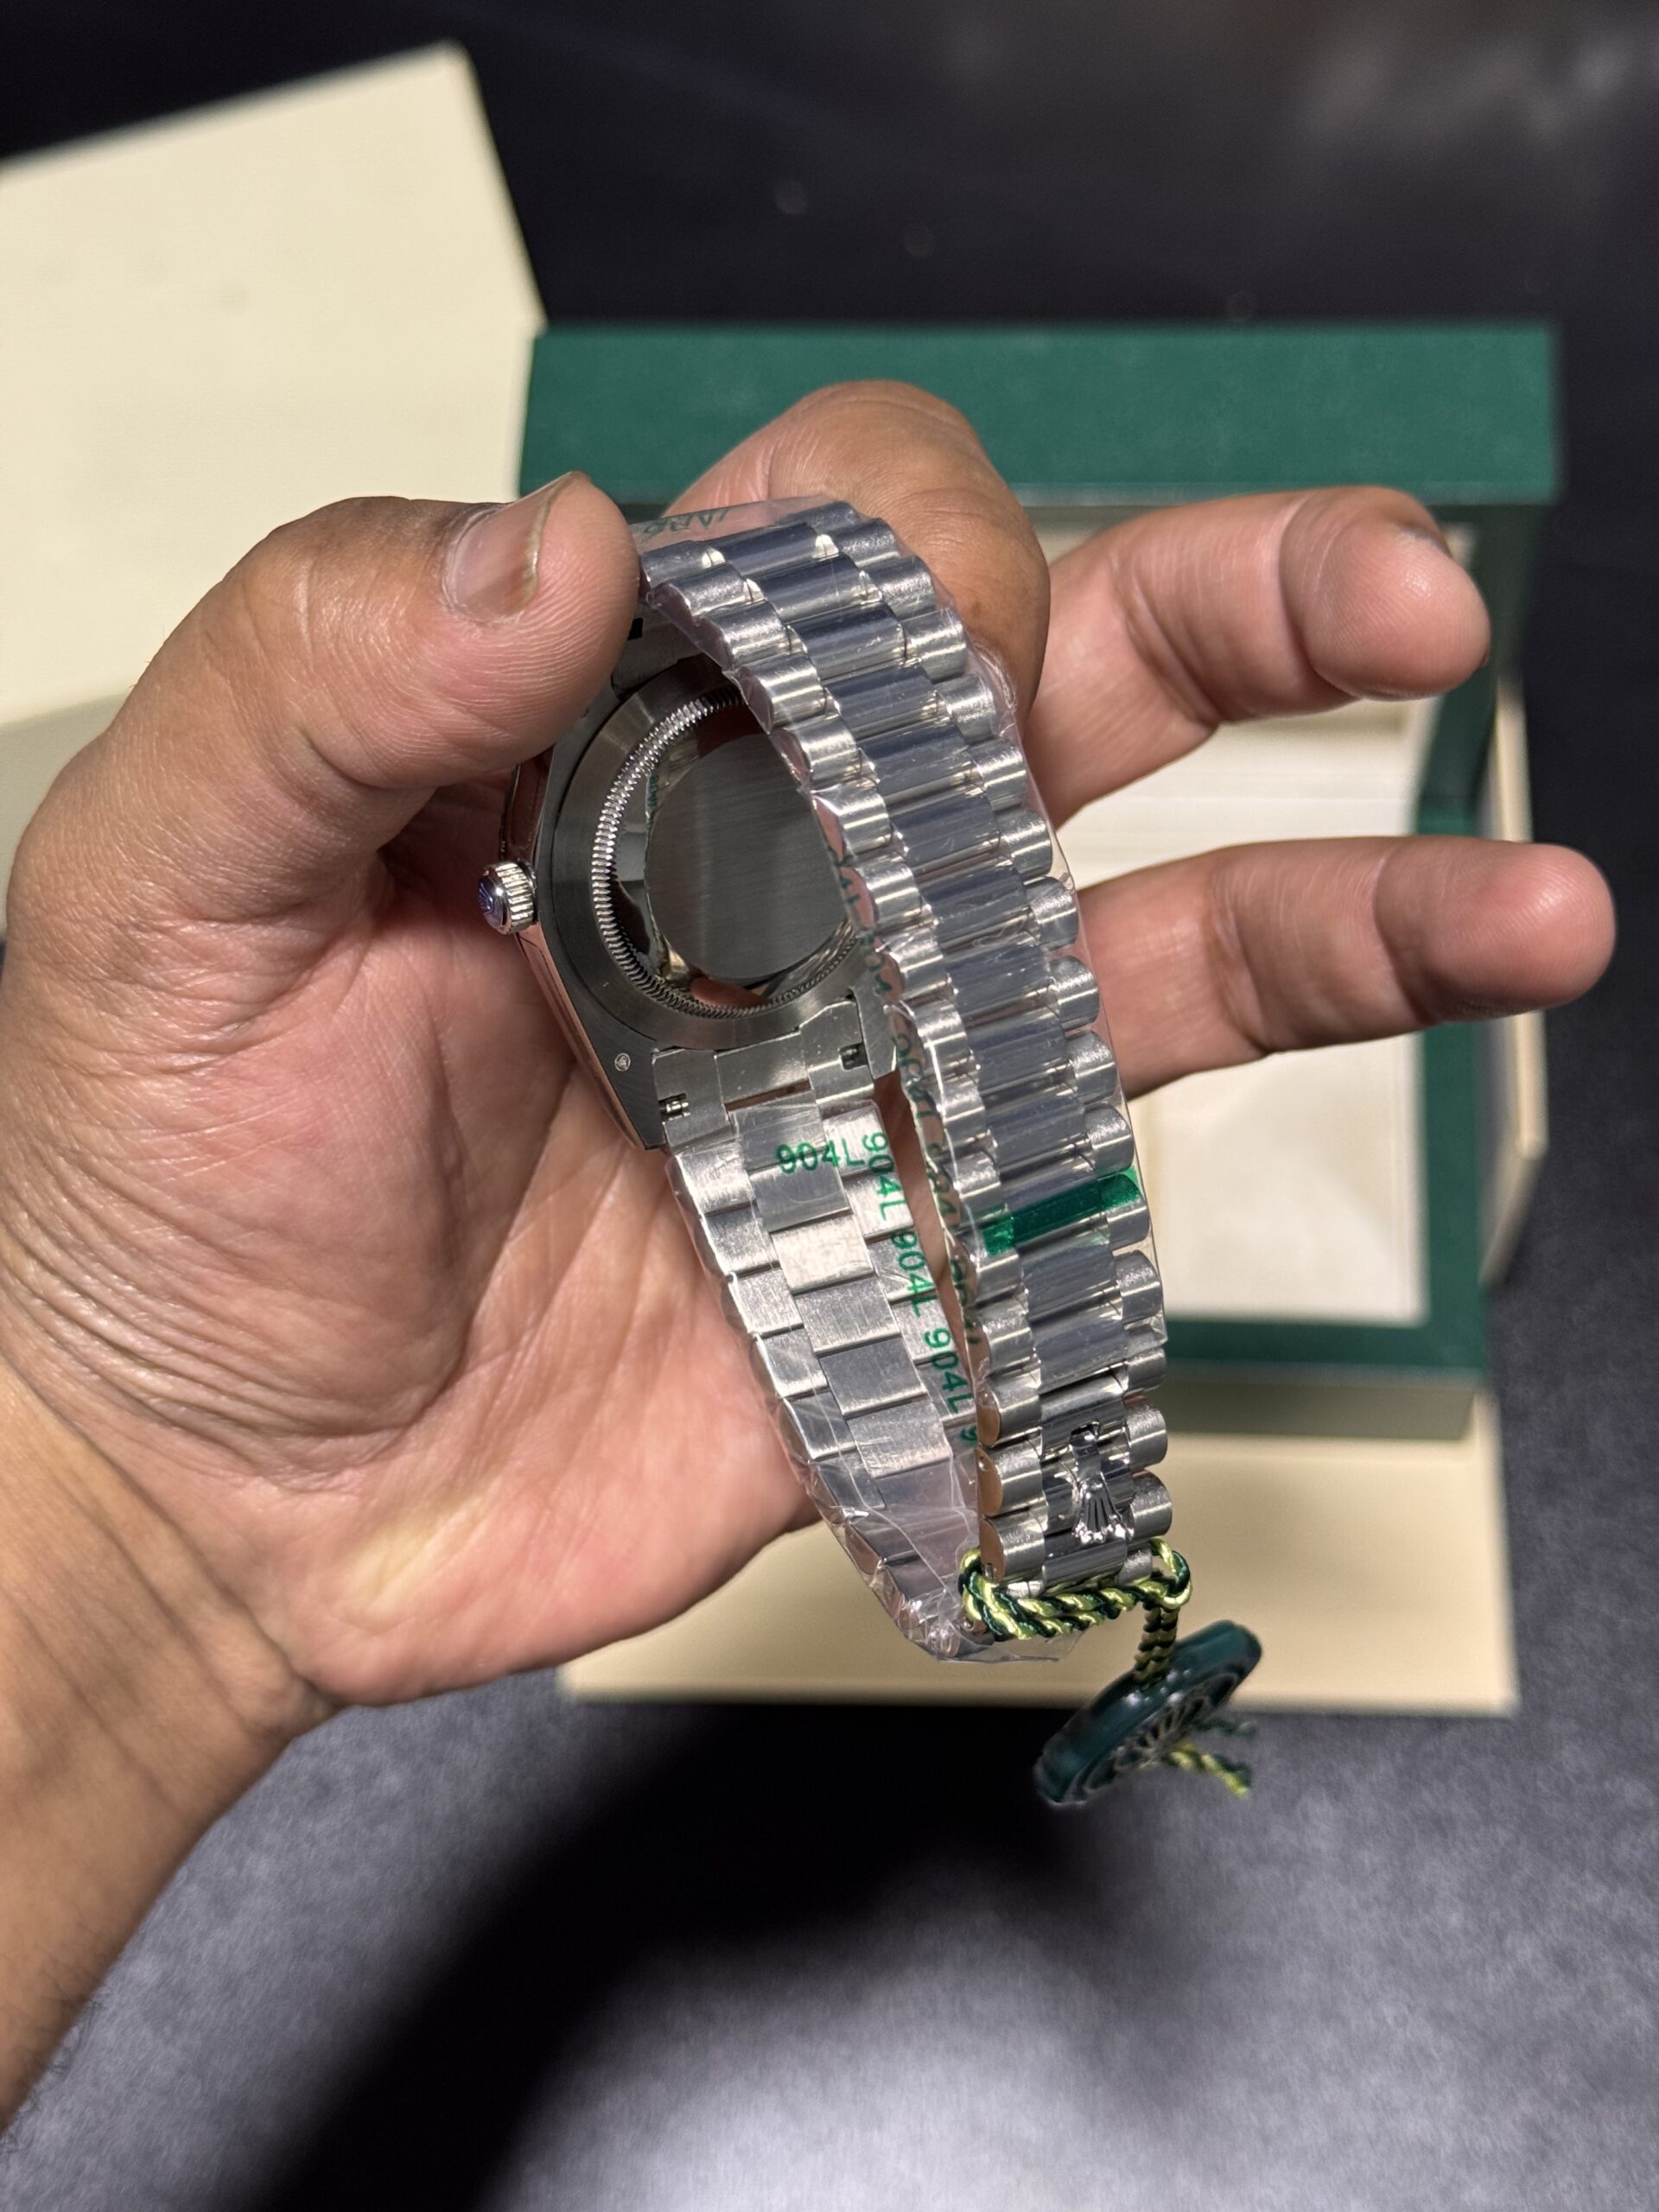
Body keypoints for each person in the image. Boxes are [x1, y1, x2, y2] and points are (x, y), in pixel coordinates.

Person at [0, 382, 1614, 2124]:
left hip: (782, 1018)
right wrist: (119, 1492)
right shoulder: (574, 910)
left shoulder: (748, 846)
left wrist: (120, 1532)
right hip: (724, 1053)